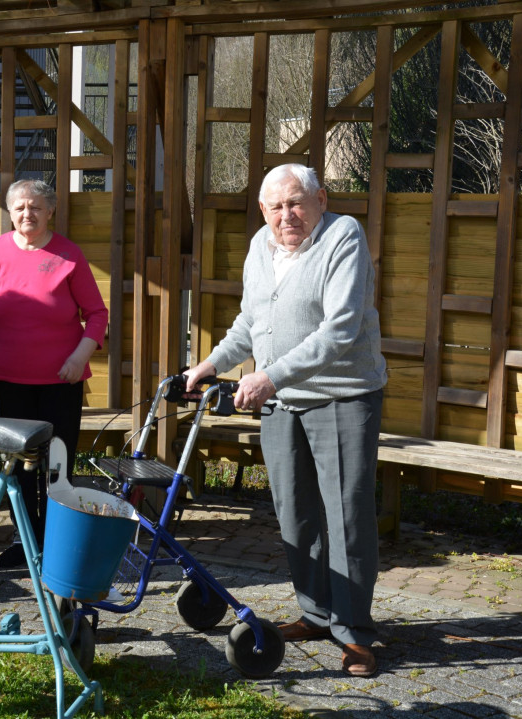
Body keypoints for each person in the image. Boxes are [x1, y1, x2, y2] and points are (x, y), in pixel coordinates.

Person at [181, 164, 387, 677]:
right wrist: (210, 364)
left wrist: (270, 376)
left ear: (320, 198)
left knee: (345, 517)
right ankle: (316, 615)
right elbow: (252, 321)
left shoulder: (343, 236)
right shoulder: (260, 245)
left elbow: (340, 329)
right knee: (294, 512)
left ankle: (355, 634)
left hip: (340, 396)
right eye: (275, 207)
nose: (285, 216)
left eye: (295, 203)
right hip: (279, 399)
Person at [0, 179, 109, 569]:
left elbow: (97, 315)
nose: (28, 214)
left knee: (57, 465)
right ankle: (25, 541)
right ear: (10, 212)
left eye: (36, 207)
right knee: (20, 468)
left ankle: (58, 544)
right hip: (11, 381)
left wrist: (80, 357)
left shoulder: (69, 255)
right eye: (21, 207)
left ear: (51, 211)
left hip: (62, 381)